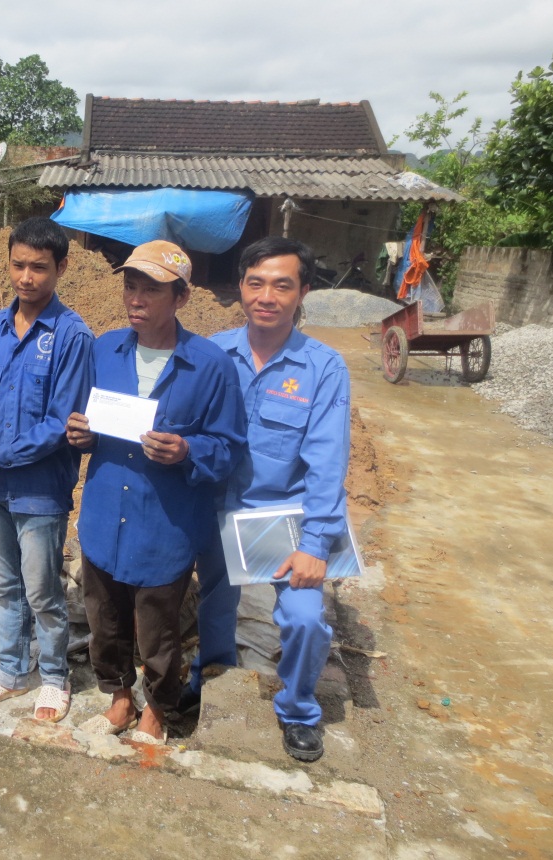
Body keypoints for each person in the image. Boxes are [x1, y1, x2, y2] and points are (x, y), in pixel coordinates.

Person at [66, 241, 246, 744]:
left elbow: (228, 448)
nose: (137, 299)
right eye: (131, 286)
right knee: (105, 621)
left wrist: (186, 450)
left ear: (181, 298)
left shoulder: (210, 366)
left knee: (158, 632)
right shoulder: (104, 350)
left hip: (163, 526)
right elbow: (88, 423)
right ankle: (120, 698)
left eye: (152, 289)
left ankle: (158, 710)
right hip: (105, 515)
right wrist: (81, 434)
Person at [184, 236, 351, 763]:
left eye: (283, 284)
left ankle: (298, 708)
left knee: (304, 619)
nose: (267, 295)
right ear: (240, 288)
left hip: (288, 517)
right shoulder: (213, 353)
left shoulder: (323, 369)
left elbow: (328, 462)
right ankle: (209, 673)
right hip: (217, 509)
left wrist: (318, 544)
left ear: (303, 292)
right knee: (215, 605)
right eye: (255, 282)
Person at [0, 217, 93, 722]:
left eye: (39, 267)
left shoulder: (72, 335)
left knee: (42, 590)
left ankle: (54, 677)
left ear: (61, 268)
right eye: (18, 265)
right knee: (3, 583)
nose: (26, 277)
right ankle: (12, 670)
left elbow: (61, 423)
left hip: (38, 487)